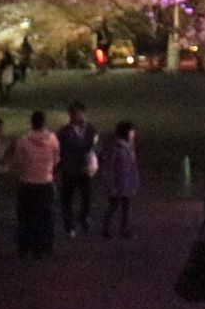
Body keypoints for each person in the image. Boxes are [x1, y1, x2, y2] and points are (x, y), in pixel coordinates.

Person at [12, 110, 60, 258]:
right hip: (45, 182)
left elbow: (18, 161)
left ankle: (25, 247)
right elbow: (56, 158)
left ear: (31, 122)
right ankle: (45, 246)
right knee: (46, 216)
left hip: (27, 183)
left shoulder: (23, 140)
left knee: (26, 216)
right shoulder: (52, 139)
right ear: (44, 123)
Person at [57, 101, 98, 236]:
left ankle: (83, 217)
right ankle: (69, 226)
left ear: (82, 113)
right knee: (67, 199)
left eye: (77, 113)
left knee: (87, 198)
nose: (74, 116)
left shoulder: (90, 129)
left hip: (84, 169)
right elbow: (60, 150)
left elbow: (94, 146)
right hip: (69, 169)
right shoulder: (64, 131)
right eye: (72, 113)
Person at [99, 120, 140, 238]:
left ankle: (124, 230)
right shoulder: (116, 148)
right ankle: (106, 229)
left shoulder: (130, 147)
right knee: (113, 206)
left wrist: (135, 180)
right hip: (118, 184)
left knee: (126, 208)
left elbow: (133, 165)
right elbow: (109, 168)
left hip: (127, 183)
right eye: (131, 131)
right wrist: (110, 185)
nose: (133, 134)